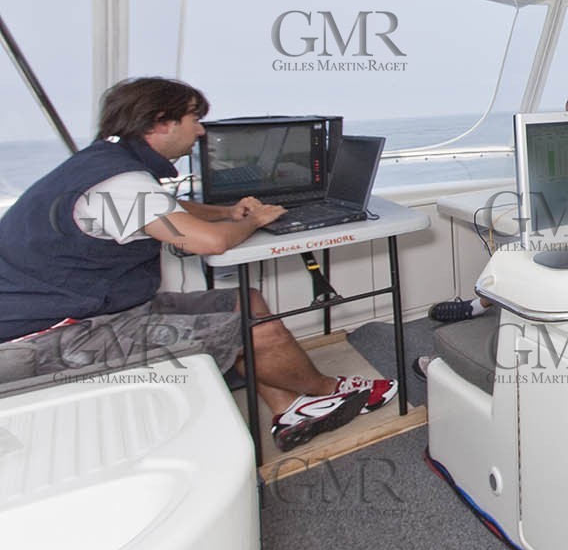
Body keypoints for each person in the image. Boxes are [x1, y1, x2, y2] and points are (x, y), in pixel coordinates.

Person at [0, 78, 396, 452]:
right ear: (161, 122)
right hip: (52, 334)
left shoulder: (106, 165)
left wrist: (225, 210)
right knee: (251, 331)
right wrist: (253, 220)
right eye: (195, 119)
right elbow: (212, 243)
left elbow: (165, 208)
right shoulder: (118, 183)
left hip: (92, 308)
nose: (201, 131)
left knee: (249, 300)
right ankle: (329, 389)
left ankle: (291, 410)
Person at [427, 87, 568, 324]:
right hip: (562, 223)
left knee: (517, 253)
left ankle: (480, 305)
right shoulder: (560, 151)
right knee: (513, 248)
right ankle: (485, 302)